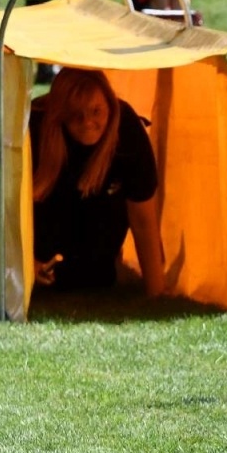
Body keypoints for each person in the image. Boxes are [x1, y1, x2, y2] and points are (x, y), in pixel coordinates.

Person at [29, 68, 165, 294]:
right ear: (59, 114)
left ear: (110, 106)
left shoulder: (127, 129)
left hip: (98, 267)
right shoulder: (35, 126)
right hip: (41, 261)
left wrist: (156, 293)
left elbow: (143, 220)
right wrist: (24, 265)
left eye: (96, 111)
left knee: (97, 278)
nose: (87, 122)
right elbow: (5, 210)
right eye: (76, 114)